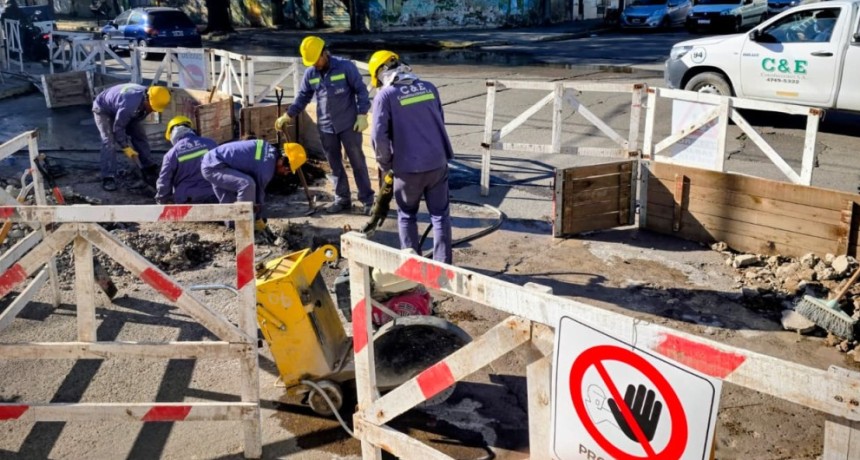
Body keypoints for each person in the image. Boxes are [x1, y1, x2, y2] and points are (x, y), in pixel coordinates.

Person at [368, 50, 454, 264]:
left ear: (380, 74)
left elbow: (379, 136)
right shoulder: (429, 88)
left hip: (407, 169)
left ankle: (412, 266)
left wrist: (386, 164)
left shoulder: (385, 96)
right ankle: (444, 266)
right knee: (440, 215)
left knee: (407, 215)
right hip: (437, 162)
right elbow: (439, 121)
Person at [274, 35, 374, 214]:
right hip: (326, 127)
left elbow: (361, 90)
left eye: (316, 60)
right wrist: (288, 115)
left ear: (324, 53)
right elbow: (303, 97)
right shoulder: (311, 73)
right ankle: (342, 199)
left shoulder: (345, 67)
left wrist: (362, 114)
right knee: (334, 165)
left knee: (357, 162)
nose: (314, 64)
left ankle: (367, 200)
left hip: (350, 125)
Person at [200, 138, 293, 233]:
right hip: (215, 166)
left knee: (229, 201)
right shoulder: (266, 169)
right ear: (282, 160)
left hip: (214, 161)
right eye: (287, 169)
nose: (286, 173)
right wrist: (258, 218)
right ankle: (245, 228)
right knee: (247, 185)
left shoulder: (269, 150)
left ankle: (233, 231)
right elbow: (258, 193)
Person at [92, 83, 169, 191]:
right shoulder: (129, 104)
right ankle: (108, 177)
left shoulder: (149, 97)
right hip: (103, 109)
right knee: (108, 141)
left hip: (121, 107)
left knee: (139, 134)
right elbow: (118, 128)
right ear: (147, 100)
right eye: (152, 107)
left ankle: (148, 166)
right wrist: (126, 147)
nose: (154, 110)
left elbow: (135, 119)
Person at [155, 116, 218, 205]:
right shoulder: (211, 143)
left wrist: (162, 200)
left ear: (171, 135)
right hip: (215, 195)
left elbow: (164, 181)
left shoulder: (171, 154)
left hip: (188, 200)